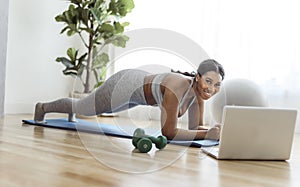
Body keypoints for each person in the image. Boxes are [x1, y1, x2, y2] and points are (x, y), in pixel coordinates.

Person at [34, 59, 225, 141]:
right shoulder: (177, 86)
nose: (211, 89)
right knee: (84, 108)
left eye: (217, 85)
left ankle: (70, 112)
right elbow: (168, 132)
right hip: (125, 85)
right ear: (198, 77)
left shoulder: (198, 95)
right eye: (208, 81)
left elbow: (193, 129)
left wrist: (214, 130)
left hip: (138, 94)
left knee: (86, 107)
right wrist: (207, 134)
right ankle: (42, 107)